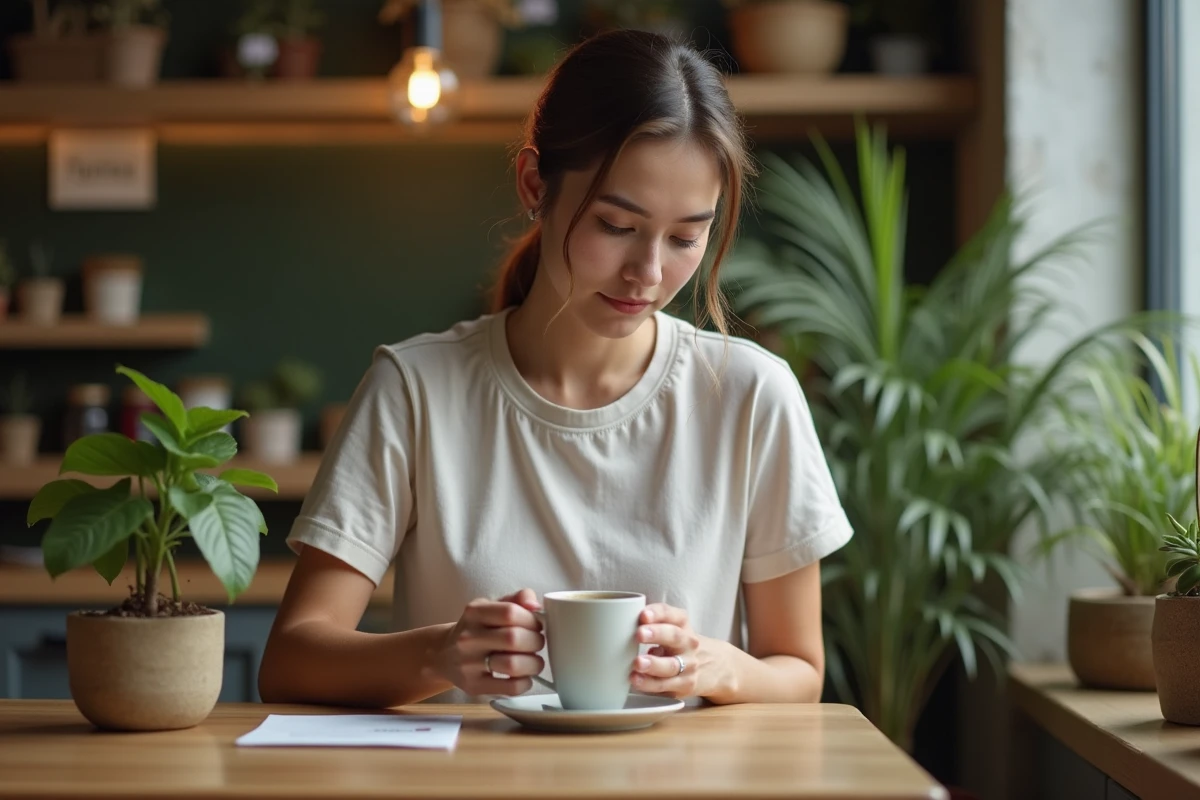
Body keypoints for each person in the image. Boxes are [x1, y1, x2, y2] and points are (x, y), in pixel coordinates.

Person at [258, 28, 853, 709]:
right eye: (616, 226)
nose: (650, 273)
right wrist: (441, 653)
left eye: (688, 237)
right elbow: (291, 659)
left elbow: (800, 672)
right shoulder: (416, 389)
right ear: (535, 184)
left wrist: (715, 668)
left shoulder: (751, 396)